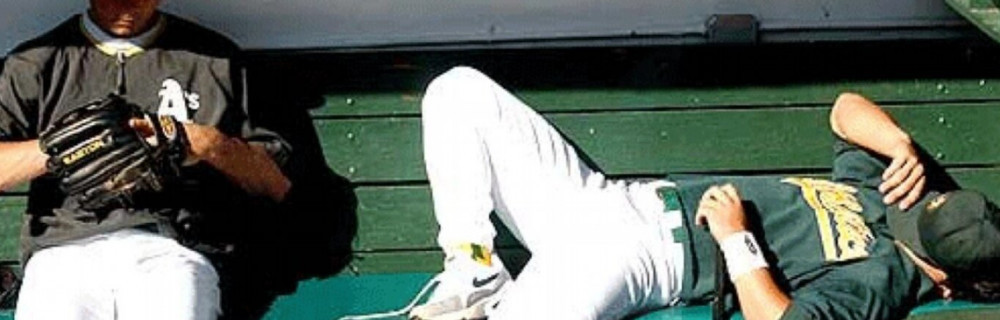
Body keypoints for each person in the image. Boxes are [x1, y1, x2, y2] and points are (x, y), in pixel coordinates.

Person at [407, 66, 1000, 320]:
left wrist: (738, 242)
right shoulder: (895, 200)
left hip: (642, 261)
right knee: (458, 93)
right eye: (924, 208)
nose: (909, 212)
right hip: (603, 202)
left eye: (921, 226)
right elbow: (844, 111)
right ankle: (475, 266)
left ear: (944, 276)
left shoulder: (882, 279)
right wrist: (899, 144)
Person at [0, 0, 292, 319]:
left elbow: (275, 183)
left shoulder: (215, 59)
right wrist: (59, 149)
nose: (126, 3)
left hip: (175, 246)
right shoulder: (36, 62)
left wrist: (205, 144)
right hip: (63, 248)